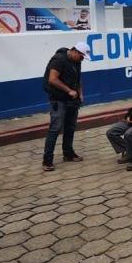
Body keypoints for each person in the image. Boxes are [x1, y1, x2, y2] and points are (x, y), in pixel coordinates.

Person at [42, 42, 91, 171]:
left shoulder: (77, 61)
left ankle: (68, 153)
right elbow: (52, 79)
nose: (82, 59)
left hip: (72, 100)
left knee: (70, 127)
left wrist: (81, 93)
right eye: (81, 56)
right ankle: (47, 160)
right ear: (75, 51)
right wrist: (68, 90)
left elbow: (78, 78)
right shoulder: (59, 60)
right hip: (58, 100)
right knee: (55, 128)